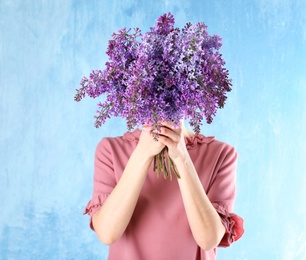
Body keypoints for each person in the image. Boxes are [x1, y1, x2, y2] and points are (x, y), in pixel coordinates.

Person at [84, 121, 244, 259]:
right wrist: (143, 153)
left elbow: (209, 240)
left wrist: (181, 156)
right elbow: (106, 233)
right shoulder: (111, 150)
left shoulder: (221, 154)